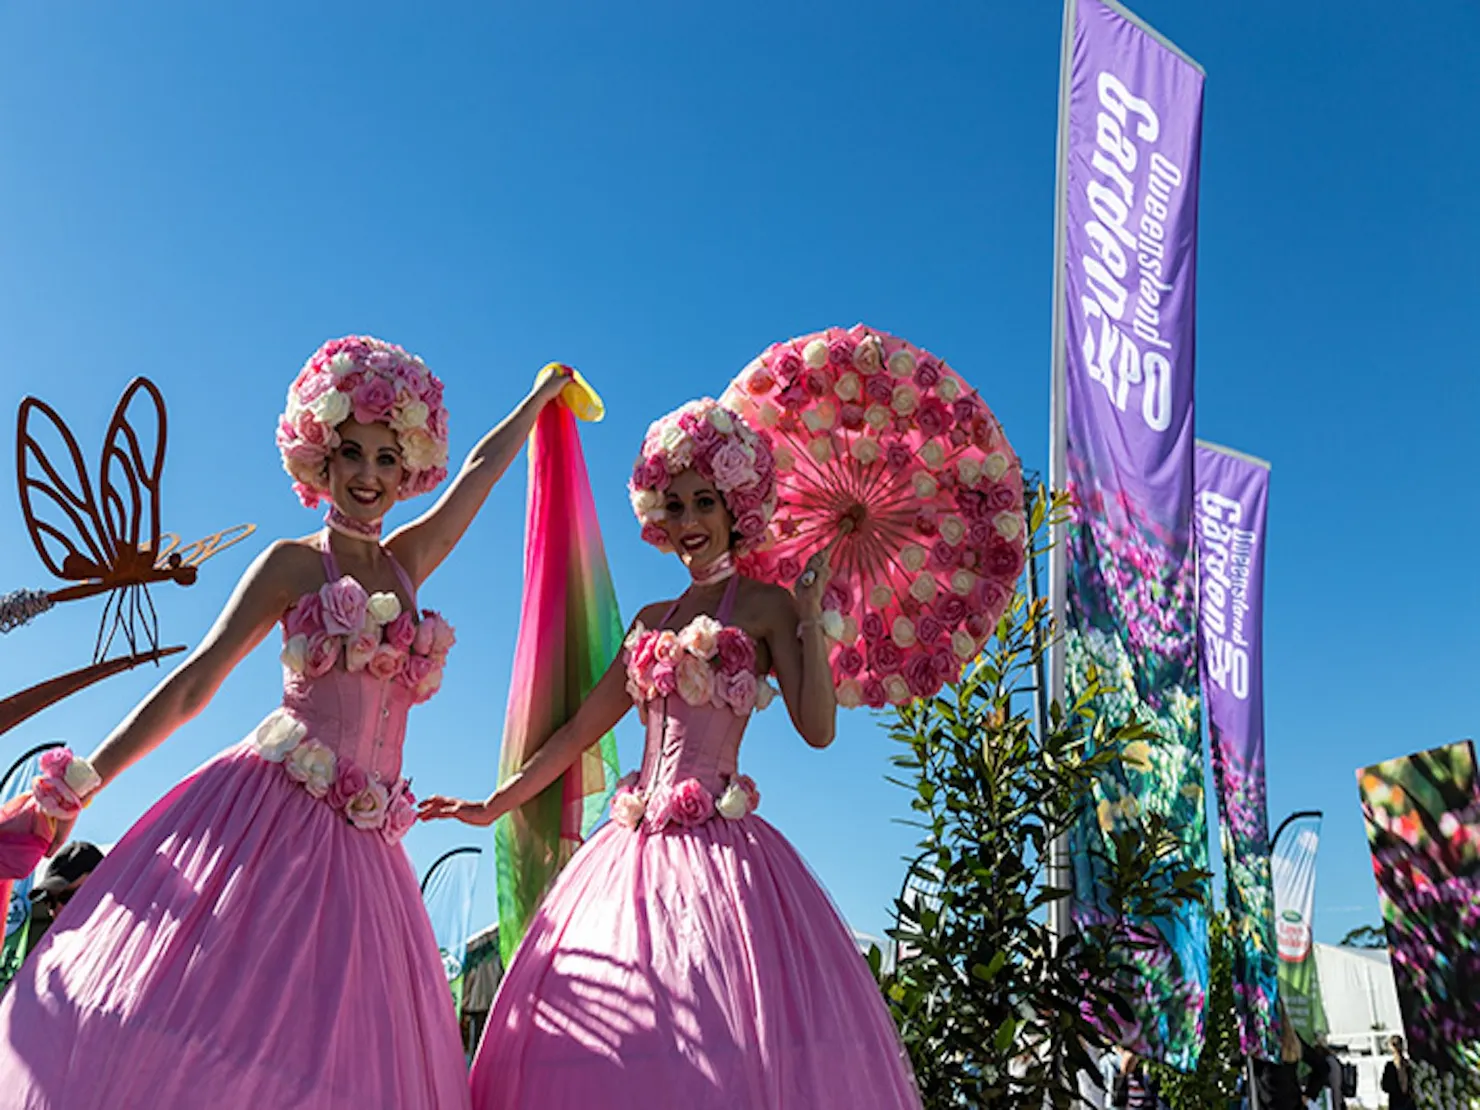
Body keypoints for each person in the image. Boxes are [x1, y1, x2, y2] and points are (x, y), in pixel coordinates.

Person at [0, 336, 572, 1109]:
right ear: (320, 458)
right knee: (214, 1017)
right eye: (350, 453)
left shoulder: (410, 562)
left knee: (341, 1056)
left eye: (384, 457)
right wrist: (79, 784)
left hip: (367, 848)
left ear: (408, 466)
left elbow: (476, 477)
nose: (368, 475)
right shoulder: (290, 565)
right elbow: (193, 683)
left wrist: (537, 404)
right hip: (269, 816)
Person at [421, 397, 923, 1109]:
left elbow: (819, 730)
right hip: (629, 852)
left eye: (705, 503)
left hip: (724, 853)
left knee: (716, 1026)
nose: (689, 521)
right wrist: (494, 803)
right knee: (618, 1024)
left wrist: (810, 619)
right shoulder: (651, 621)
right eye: (677, 503)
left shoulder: (769, 607)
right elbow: (577, 732)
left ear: (735, 507)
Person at [22, 840, 102, 960]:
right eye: (49, 901)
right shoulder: (48, 962)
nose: (56, 909)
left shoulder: (131, 945)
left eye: (69, 897)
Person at [1252, 1016, 1307, 1110]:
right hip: (1291, 1102)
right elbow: (1322, 1067)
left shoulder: (1258, 1043)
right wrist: (1308, 1094)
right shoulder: (1292, 1039)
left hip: (1269, 1103)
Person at [1381, 1035, 1416, 1110]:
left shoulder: (1408, 1065)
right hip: (1396, 1102)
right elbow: (1385, 1086)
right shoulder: (1390, 1067)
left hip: (1408, 1103)